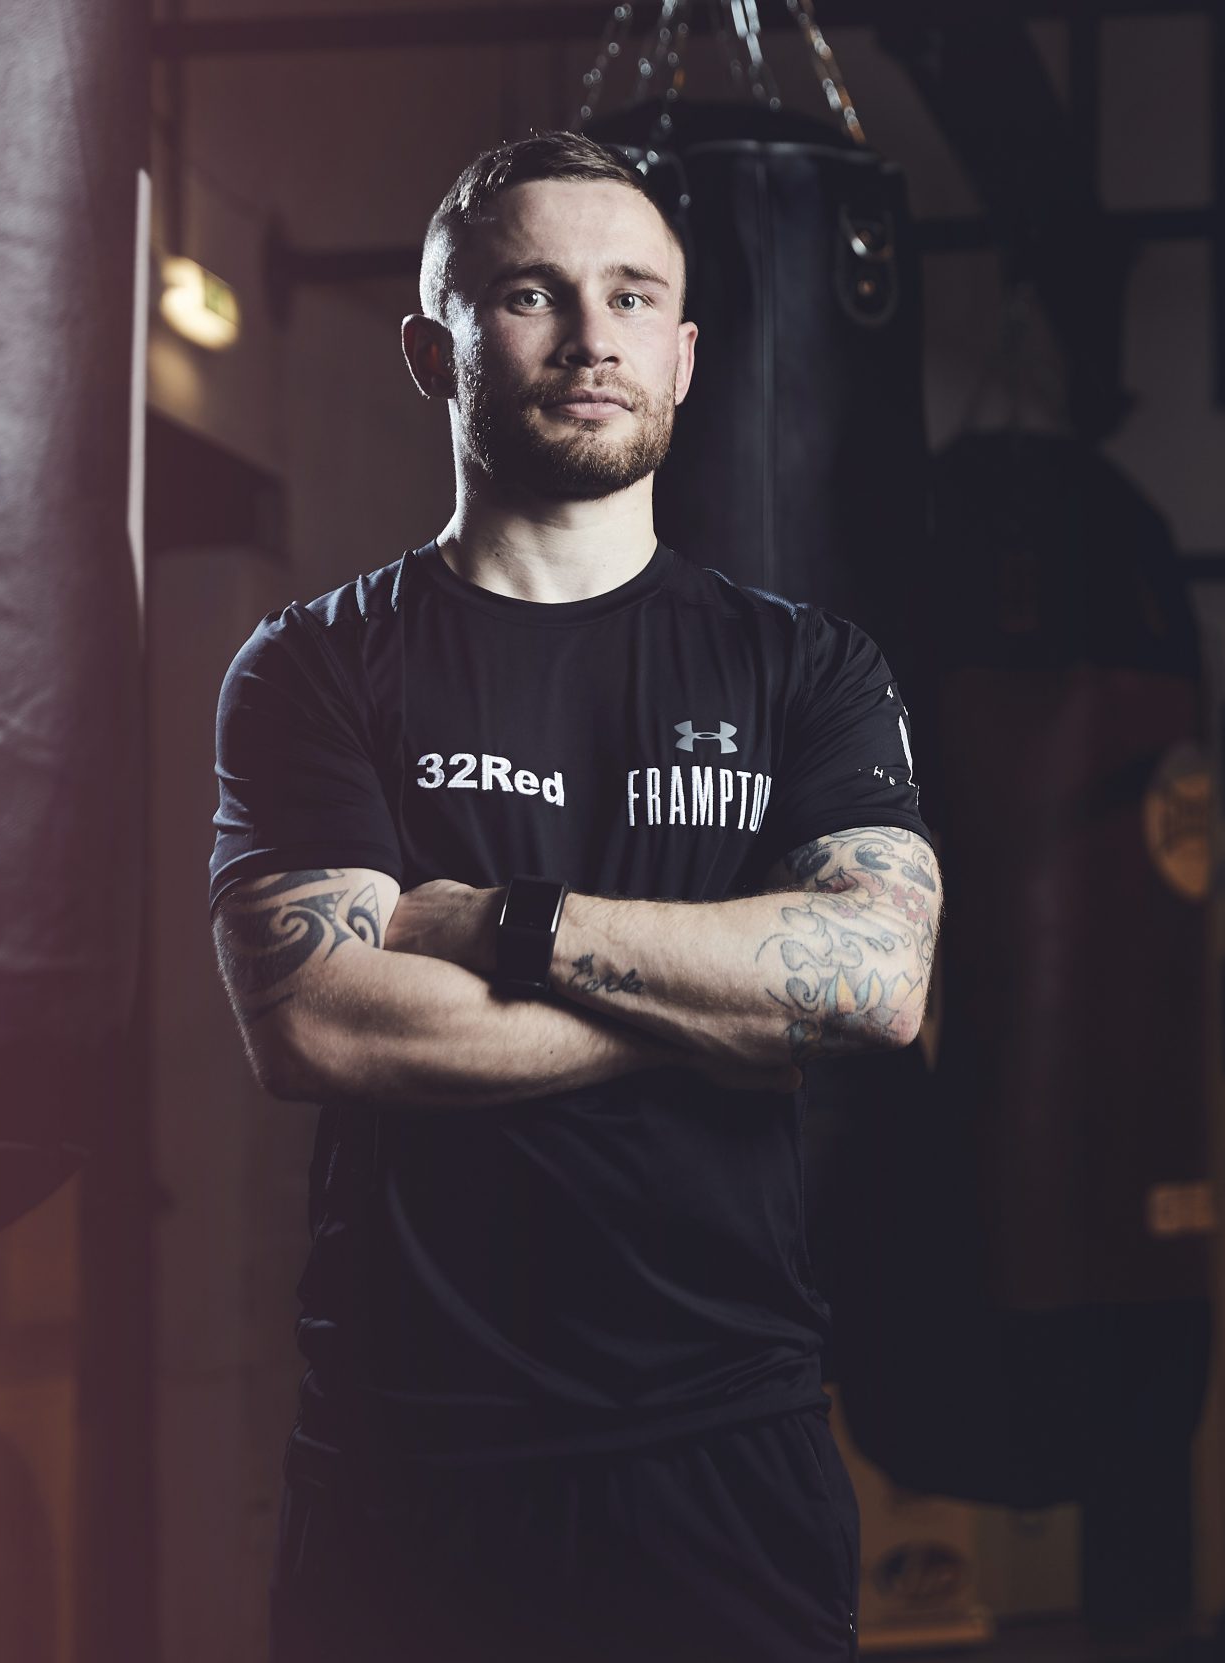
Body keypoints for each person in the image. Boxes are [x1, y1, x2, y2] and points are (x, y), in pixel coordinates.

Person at [208, 129, 941, 1663]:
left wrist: (501, 924)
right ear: (435, 348)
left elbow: (874, 978)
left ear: (684, 354)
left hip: (723, 1446)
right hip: (410, 1456)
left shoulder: (808, 669)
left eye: (630, 297)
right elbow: (324, 1026)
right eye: (533, 294)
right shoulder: (316, 666)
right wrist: (731, 1006)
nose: (591, 336)